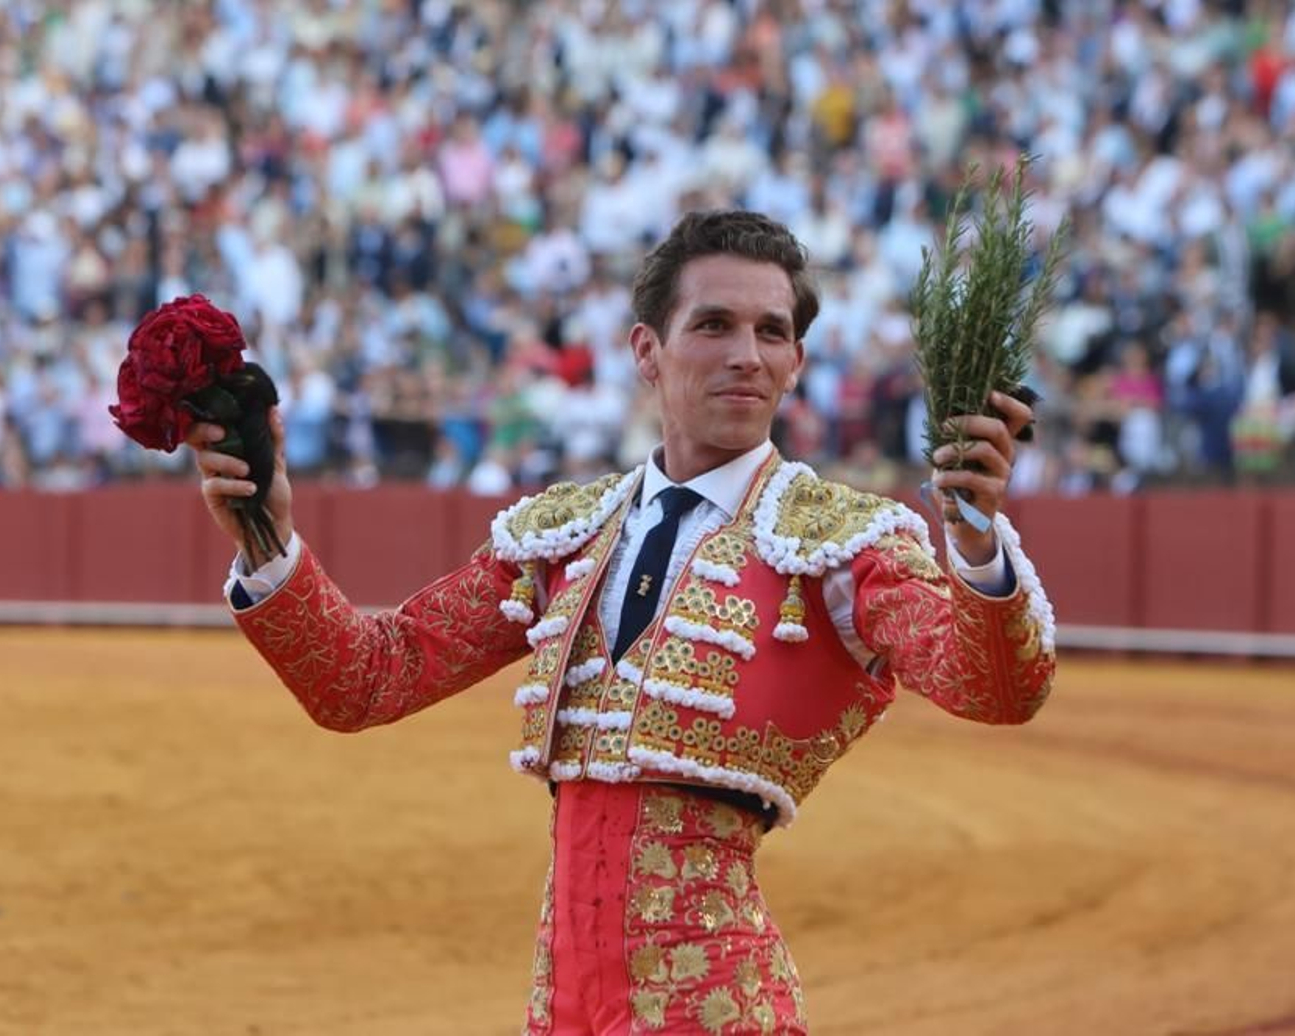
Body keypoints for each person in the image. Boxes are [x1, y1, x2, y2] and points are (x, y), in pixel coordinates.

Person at [187, 210, 1056, 1035]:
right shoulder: (565, 534)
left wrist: (973, 540)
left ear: (796, 363)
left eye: (772, 332)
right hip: (559, 1002)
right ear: (648, 350)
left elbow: (992, 688)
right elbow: (367, 680)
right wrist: (268, 538)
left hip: (717, 1004)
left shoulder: (841, 545)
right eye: (713, 324)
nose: (746, 356)